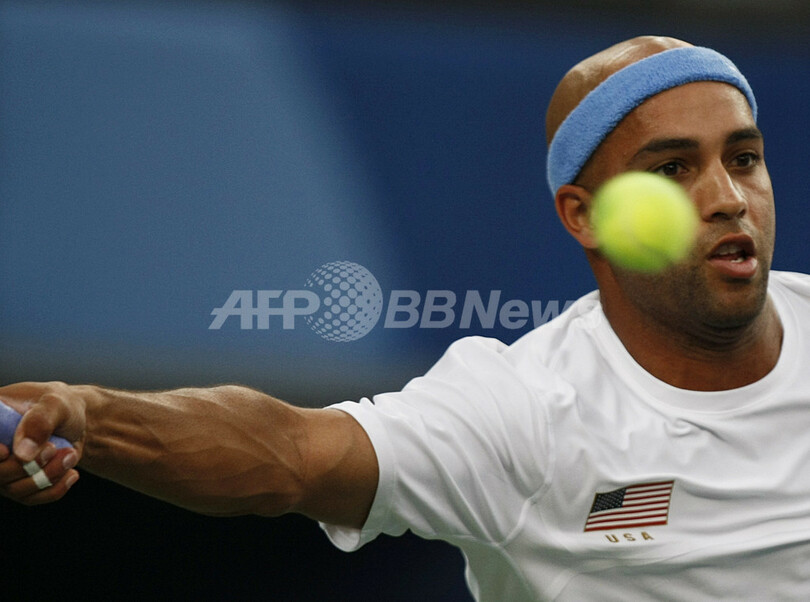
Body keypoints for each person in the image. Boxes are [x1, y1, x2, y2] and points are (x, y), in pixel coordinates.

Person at [1, 35, 808, 600]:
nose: (728, 198)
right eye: (672, 170)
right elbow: (293, 455)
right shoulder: (523, 411)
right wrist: (95, 416)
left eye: (744, 159)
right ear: (582, 216)